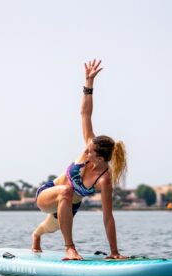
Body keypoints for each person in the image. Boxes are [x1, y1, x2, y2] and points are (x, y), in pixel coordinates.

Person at [31, 59, 128, 260]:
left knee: (50, 227)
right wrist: (89, 83)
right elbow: (85, 113)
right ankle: (70, 248)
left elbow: (108, 216)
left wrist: (114, 252)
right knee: (66, 191)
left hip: (69, 205)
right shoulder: (89, 147)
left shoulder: (104, 179)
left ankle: (35, 236)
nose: (86, 151)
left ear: (100, 158)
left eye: (91, 152)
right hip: (47, 194)